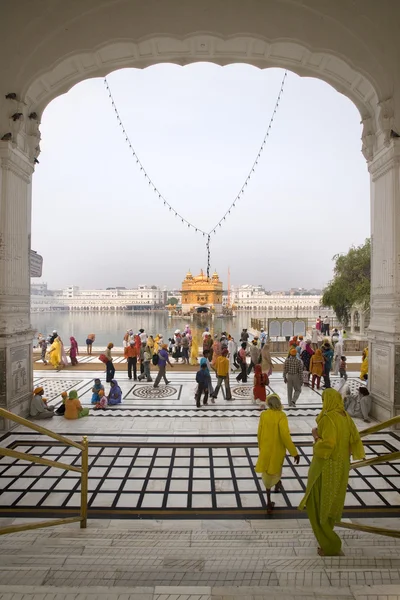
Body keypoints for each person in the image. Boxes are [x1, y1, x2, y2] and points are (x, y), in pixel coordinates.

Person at [299, 389, 365, 556]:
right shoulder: (345, 417)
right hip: (341, 467)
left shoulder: (329, 418)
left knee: (316, 504)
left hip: (325, 467)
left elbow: (327, 445)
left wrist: (315, 436)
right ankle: (327, 539)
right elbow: (354, 441)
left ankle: (330, 544)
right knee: (330, 503)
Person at [255, 393, 300, 513]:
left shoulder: (264, 415)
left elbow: (259, 433)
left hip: (265, 449)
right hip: (277, 450)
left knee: (267, 473)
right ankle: (271, 498)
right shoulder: (281, 416)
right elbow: (285, 436)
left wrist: (261, 448)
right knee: (275, 468)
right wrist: (294, 452)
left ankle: (272, 492)